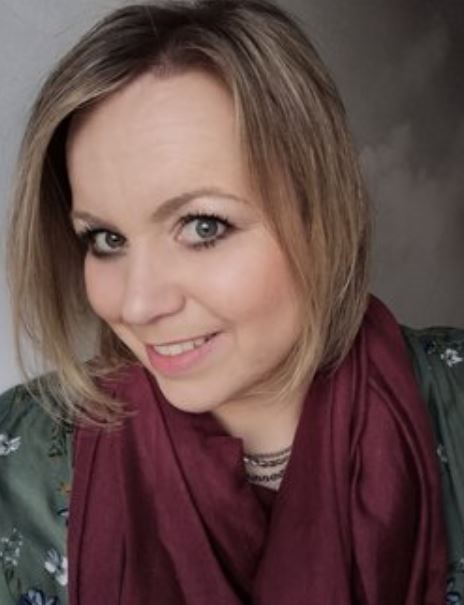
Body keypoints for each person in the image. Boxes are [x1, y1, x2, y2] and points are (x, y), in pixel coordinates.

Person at [0, 0, 462, 603]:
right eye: (106, 239)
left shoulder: (454, 401)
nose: (137, 305)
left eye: (203, 227)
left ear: (320, 212)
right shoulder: (17, 464)